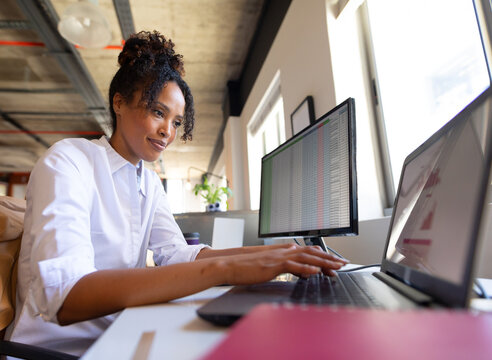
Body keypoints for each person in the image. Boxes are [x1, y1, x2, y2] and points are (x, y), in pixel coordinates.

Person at [5, 31, 347, 356]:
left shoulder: (149, 182)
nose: (168, 131)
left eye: (177, 122)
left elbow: (176, 253)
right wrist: (230, 268)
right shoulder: (69, 161)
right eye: (158, 112)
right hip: (59, 350)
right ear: (119, 103)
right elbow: (68, 299)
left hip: (120, 332)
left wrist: (266, 257)